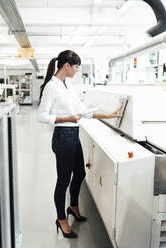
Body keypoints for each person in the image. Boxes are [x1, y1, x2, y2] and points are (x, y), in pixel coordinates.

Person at [37, 50, 122, 239]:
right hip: (63, 136)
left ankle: (73, 206)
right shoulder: (52, 87)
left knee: (81, 173)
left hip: (74, 135)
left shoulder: (68, 85)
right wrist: (66, 118)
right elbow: (41, 116)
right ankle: (61, 219)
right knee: (63, 180)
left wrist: (108, 115)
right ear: (66, 66)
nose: (77, 71)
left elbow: (82, 111)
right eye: (76, 67)